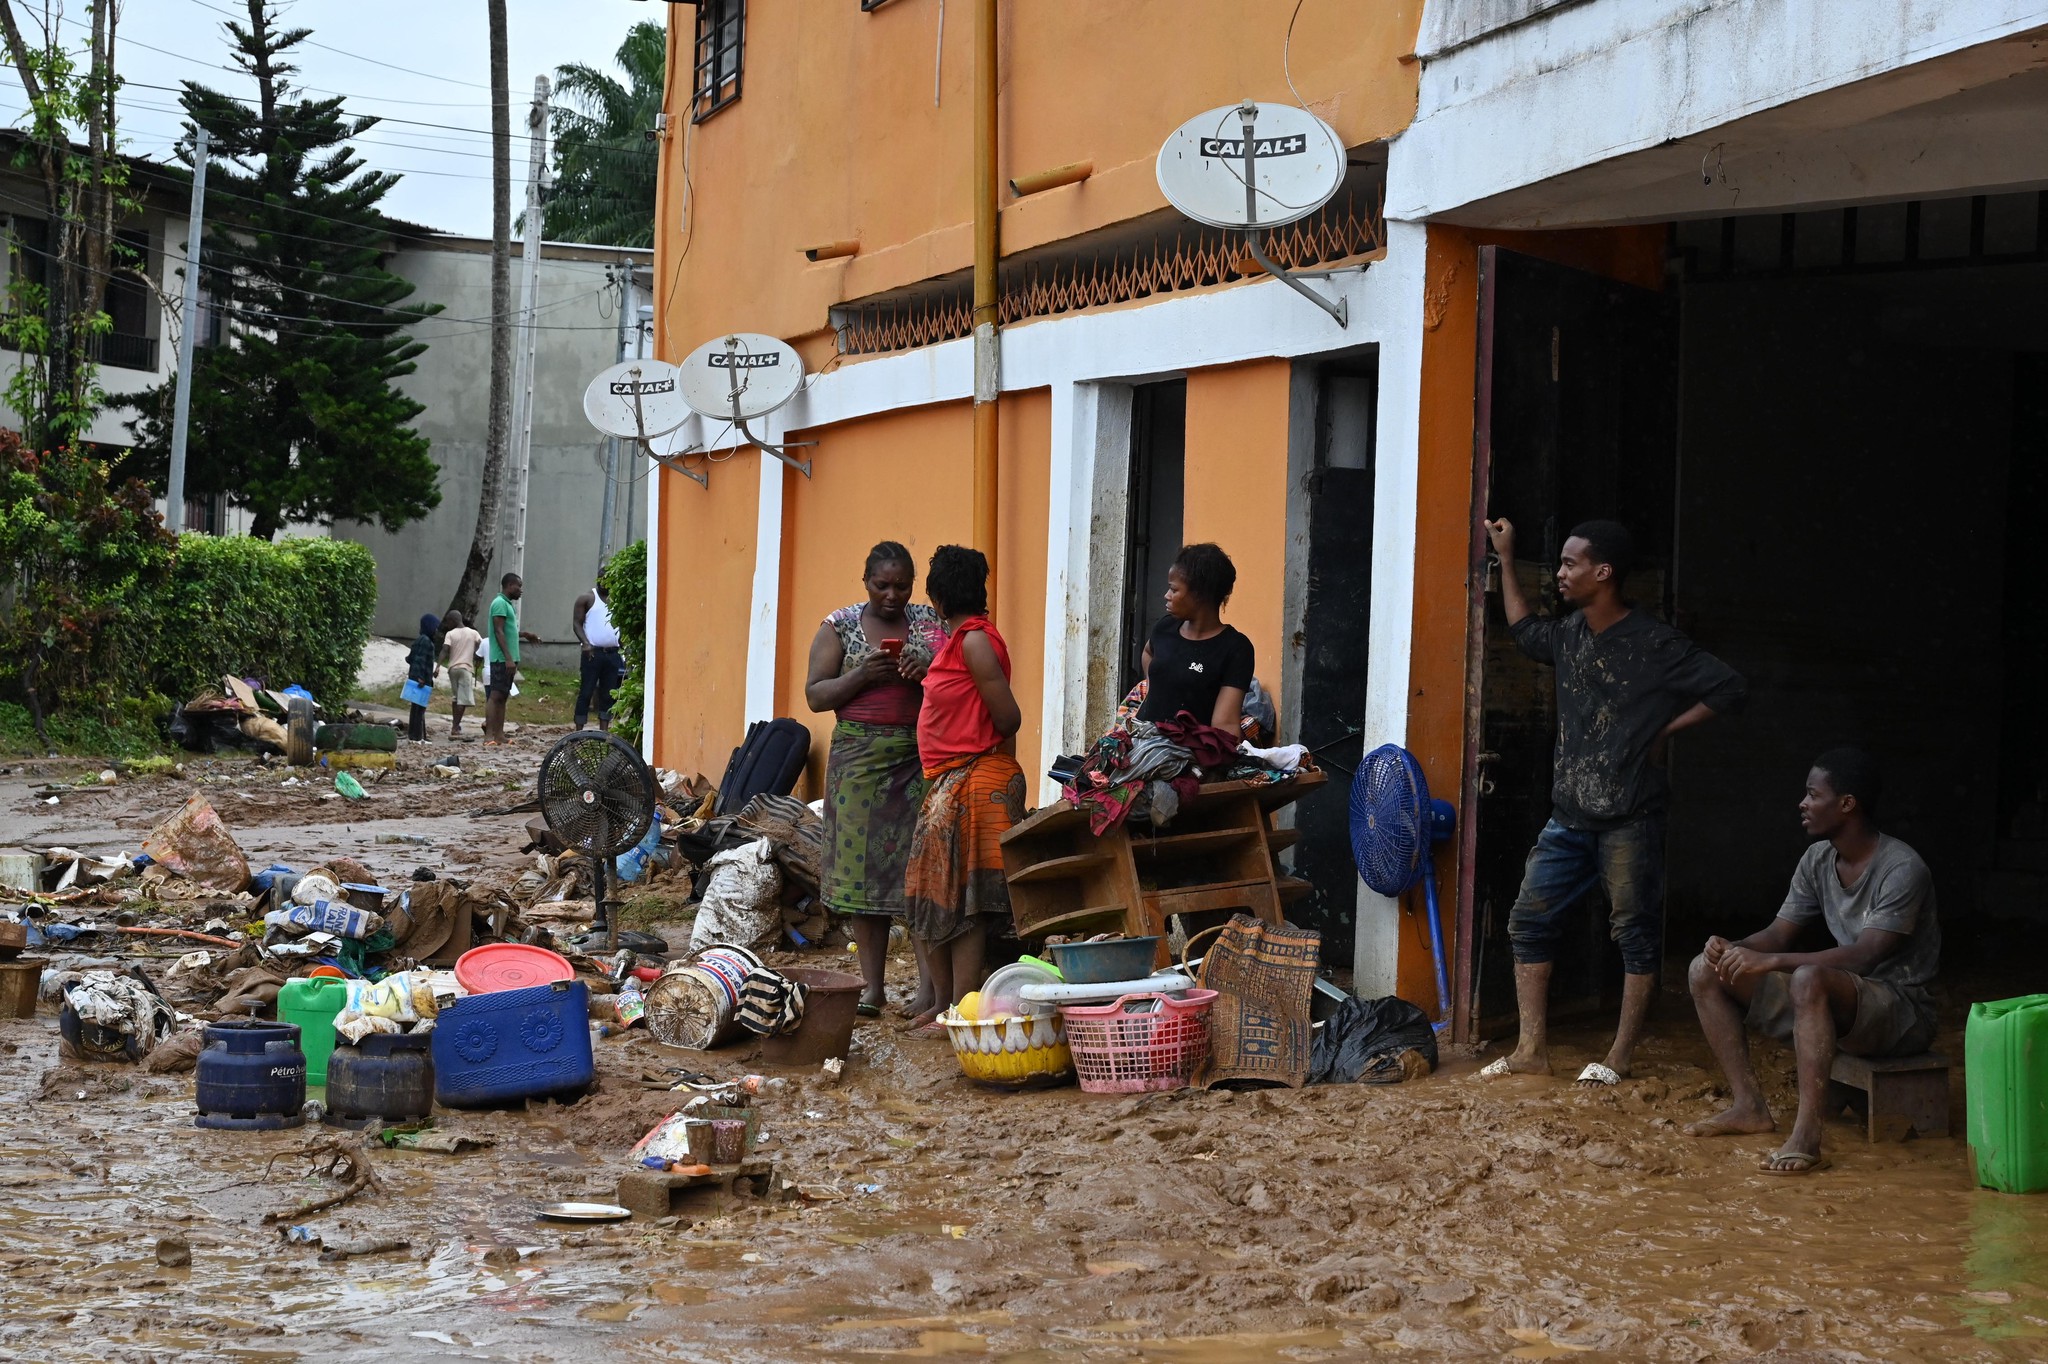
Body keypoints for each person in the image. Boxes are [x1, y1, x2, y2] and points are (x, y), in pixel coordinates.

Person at [1479, 517, 1747, 1087]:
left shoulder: (1655, 643)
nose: (1560, 573)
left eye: (1570, 564)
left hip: (1631, 816)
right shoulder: (1570, 633)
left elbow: (1730, 687)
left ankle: (1620, 1056)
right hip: (1569, 817)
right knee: (1528, 920)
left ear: (1603, 573)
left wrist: (1665, 731)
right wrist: (1506, 558)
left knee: (1634, 931)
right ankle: (1532, 1049)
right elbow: (1525, 632)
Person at [1684, 749, 1940, 1175]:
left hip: (1902, 1013)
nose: (1802, 803)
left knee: (1809, 979)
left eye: (1812, 794)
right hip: (1842, 1004)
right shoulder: (1817, 859)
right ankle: (1749, 1107)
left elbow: (1866, 955)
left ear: (1847, 803)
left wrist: (1771, 961)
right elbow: (1778, 933)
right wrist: (1732, 946)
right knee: (1703, 970)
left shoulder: (1902, 867)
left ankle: (1806, 1135)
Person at [804, 542, 947, 1018]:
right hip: (858, 766)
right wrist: (862, 675)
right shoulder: (839, 626)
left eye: (902, 585)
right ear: (865, 580)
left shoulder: (930, 623)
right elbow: (816, 696)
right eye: (882, 585)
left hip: (918, 759)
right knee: (863, 879)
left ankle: (930, 991)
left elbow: (957, 681)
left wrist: (924, 673)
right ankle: (871, 987)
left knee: (919, 873)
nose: (892, 594)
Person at [903, 545, 1024, 1035]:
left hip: (974, 779)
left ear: (935, 598)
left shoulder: (974, 641)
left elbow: (1008, 717)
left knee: (966, 901)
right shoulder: (959, 643)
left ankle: (958, 1009)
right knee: (932, 893)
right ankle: (945, 1007)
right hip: (951, 780)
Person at [1136, 543, 1254, 735]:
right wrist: (1155, 688)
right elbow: (1148, 652)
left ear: (1200, 594)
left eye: (1174, 590)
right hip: (1144, 739)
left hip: (1188, 752)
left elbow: (1225, 724)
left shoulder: (1236, 649)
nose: (1166, 596)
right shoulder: (1165, 628)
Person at [484, 572, 539, 745]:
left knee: (503, 696)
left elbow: (508, 631)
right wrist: (508, 658)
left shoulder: (507, 605)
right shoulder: (499, 603)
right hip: (501, 659)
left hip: (510, 658)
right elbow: (498, 631)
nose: (521, 590)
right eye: (519, 586)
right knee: (495, 696)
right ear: (509, 586)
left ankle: (499, 735)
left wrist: (524, 634)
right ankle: (488, 737)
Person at [572, 584, 628, 732]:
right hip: (593, 653)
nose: (605, 584)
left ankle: (604, 731)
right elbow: (576, 623)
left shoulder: (616, 600)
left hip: (612, 653)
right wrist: (585, 643)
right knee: (586, 691)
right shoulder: (587, 598)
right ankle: (579, 731)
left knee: (608, 693)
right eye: (602, 581)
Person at [439, 610, 482, 738]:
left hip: (452, 669)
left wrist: (437, 666)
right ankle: (455, 727)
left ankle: (455, 724)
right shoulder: (473, 633)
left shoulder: (450, 634)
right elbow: (481, 644)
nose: (447, 625)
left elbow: (444, 650)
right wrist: (477, 656)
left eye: (448, 622)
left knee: (456, 698)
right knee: (462, 700)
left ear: (453, 621)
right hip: (465, 669)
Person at [403, 614, 439, 743]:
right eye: (435, 628)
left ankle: (415, 736)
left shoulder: (419, 640)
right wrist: (420, 677)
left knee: (416, 708)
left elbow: (410, 658)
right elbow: (419, 660)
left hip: (416, 678)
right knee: (419, 710)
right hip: (421, 681)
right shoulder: (426, 642)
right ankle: (417, 737)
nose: (436, 631)